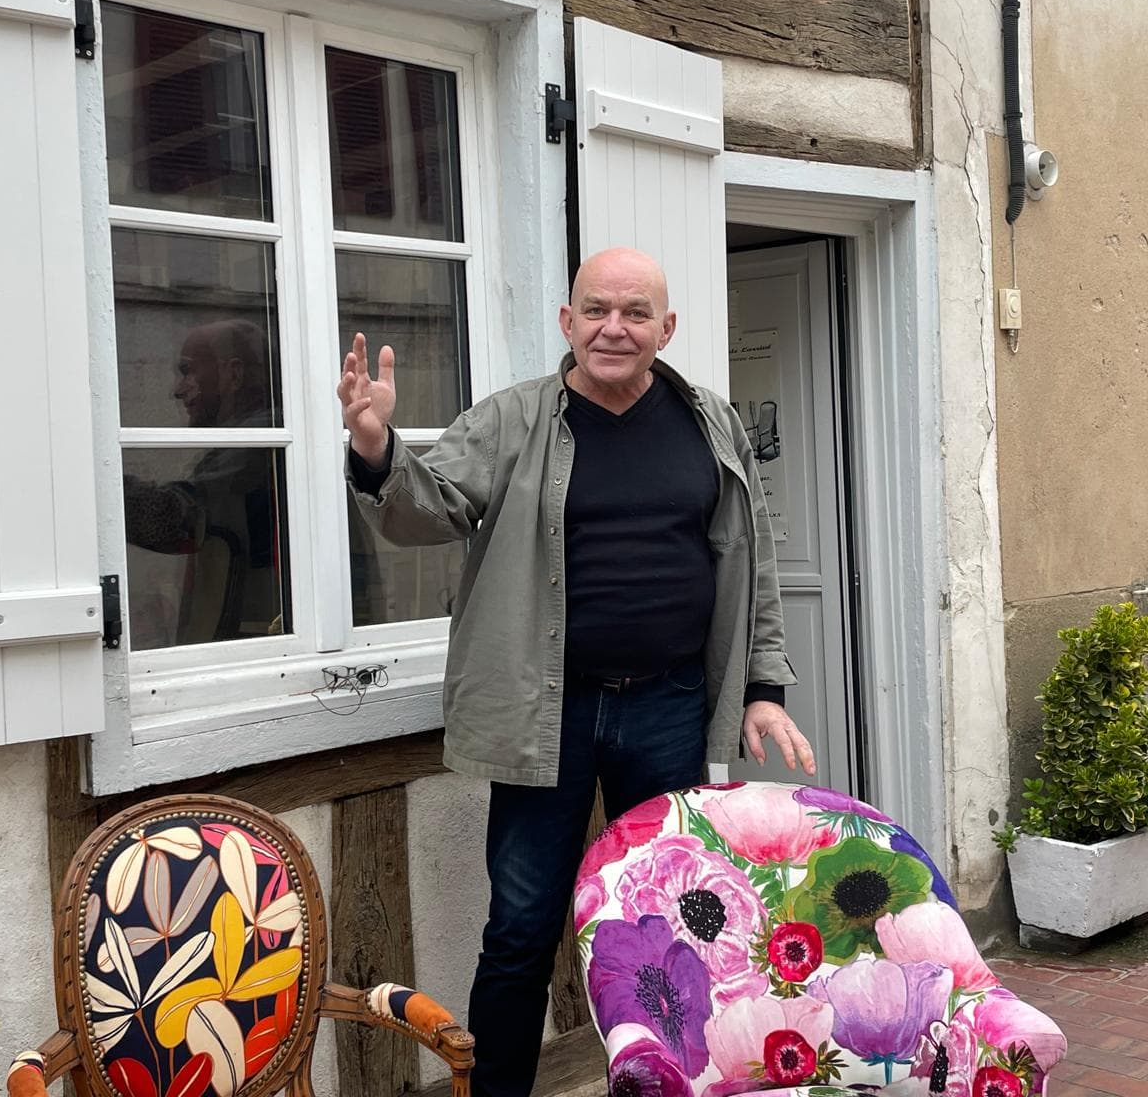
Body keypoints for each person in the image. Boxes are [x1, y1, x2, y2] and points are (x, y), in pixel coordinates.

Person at [337, 246, 816, 1097]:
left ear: (667, 329)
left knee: (665, 920)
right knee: (521, 928)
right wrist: (378, 449)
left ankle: (663, 1082)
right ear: (567, 322)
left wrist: (764, 687)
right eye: (596, 309)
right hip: (545, 712)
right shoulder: (515, 419)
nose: (613, 328)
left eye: (635, 313)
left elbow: (754, 561)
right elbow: (428, 509)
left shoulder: (711, 422)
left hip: (668, 705)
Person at [123, 319, 283, 647]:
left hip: (256, 647)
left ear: (233, 374)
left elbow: (178, 519)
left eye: (188, 371)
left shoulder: (260, 446)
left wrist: (88, 484)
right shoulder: (254, 441)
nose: (178, 389)